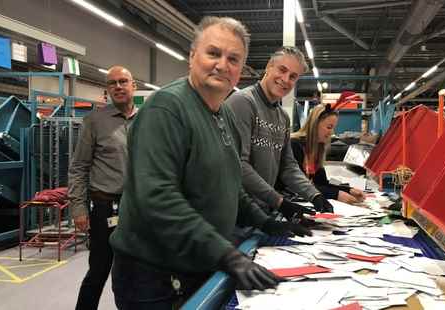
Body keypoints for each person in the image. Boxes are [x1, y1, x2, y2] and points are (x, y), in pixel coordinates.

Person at [109, 16, 310, 309]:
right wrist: (227, 255)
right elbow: (157, 199)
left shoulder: (224, 114)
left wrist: (266, 222)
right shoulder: (166, 108)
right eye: (213, 53)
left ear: (241, 70)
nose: (222, 64)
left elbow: (230, 185)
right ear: (192, 57)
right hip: (153, 275)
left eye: (233, 59)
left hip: (196, 261)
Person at [224, 46, 334, 219]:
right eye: (282, 70)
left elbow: (288, 166)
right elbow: (239, 165)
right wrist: (279, 201)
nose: (285, 79)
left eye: (293, 77)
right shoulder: (243, 103)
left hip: (264, 211)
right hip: (238, 213)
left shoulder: (282, 117)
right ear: (269, 66)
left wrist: (314, 195)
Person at [68, 66, 138, 310]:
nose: (118, 86)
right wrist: (78, 207)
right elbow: (78, 167)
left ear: (133, 86)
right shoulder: (94, 121)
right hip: (105, 207)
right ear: (107, 90)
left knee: (134, 273)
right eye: (112, 83)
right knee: (99, 270)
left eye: (123, 81)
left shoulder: (147, 119)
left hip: (138, 210)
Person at [291, 104, 366, 204]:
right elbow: (298, 187)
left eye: (333, 128)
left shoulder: (318, 148)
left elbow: (322, 183)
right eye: (329, 127)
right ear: (315, 124)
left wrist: (348, 189)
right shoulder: (295, 145)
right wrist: (336, 194)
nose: (332, 132)